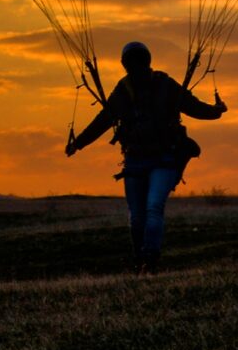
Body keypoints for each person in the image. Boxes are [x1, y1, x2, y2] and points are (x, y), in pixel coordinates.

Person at [67, 41, 226, 272]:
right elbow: (195, 108)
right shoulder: (138, 88)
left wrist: (77, 144)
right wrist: (217, 111)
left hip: (158, 159)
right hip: (148, 160)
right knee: (145, 212)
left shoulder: (152, 86)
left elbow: (103, 121)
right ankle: (144, 259)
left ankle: (147, 258)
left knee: (145, 211)